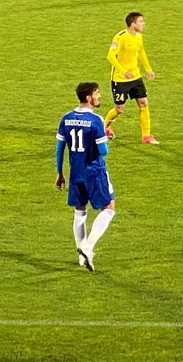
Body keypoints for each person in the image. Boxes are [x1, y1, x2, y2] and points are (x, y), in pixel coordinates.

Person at [56, 82, 117, 271]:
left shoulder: (66, 119)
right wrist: (105, 137)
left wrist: (59, 173)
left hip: (76, 173)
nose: (99, 96)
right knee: (109, 207)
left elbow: (60, 149)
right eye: (96, 93)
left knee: (80, 210)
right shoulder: (96, 120)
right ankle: (88, 246)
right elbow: (103, 150)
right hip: (95, 172)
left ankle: (82, 258)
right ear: (88, 98)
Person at [103, 12, 158, 144]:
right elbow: (110, 57)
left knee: (143, 103)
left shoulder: (139, 36)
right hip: (120, 79)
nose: (143, 24)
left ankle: (146, 135)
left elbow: (141, 52)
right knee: (119, 109)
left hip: (135, 77)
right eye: (140, 21)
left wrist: (148, 69)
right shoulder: (120, 37)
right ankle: (104, 128)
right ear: (132, 24)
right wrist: (124, 71)